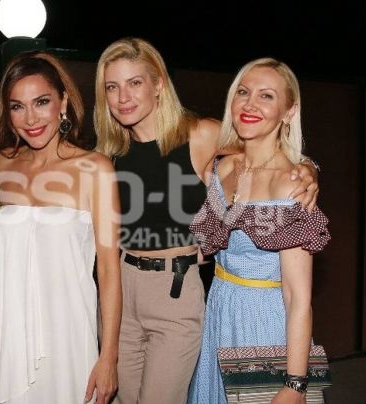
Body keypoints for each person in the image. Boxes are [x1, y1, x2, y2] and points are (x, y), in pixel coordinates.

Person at [93, 37, 320, 404]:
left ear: (158, 84)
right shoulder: (108, 153)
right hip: (124, 286)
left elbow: (266, 149)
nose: (123, 97)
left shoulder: (199, 135)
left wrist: (307, 170)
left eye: (134, 82)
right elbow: (248, 165)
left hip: (176, 288)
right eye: (112, 87)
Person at [0, 51, 122, 404]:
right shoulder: (0, 166)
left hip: (68, 333)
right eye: (17, 106)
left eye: (41, 102)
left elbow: (108, 270)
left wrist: (109, 357)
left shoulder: (95, 168)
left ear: (63, 103)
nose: (31, 118)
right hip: (11, 335)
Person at [187, 57, 331, 404]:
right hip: (220, 312)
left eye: (266, 96)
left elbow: (298, 298)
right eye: (243, 92)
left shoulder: (291, 185)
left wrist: (295, 384)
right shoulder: (221, 169)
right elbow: (207, 247)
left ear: (288, 111)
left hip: (264, 323)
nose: (250, 104)